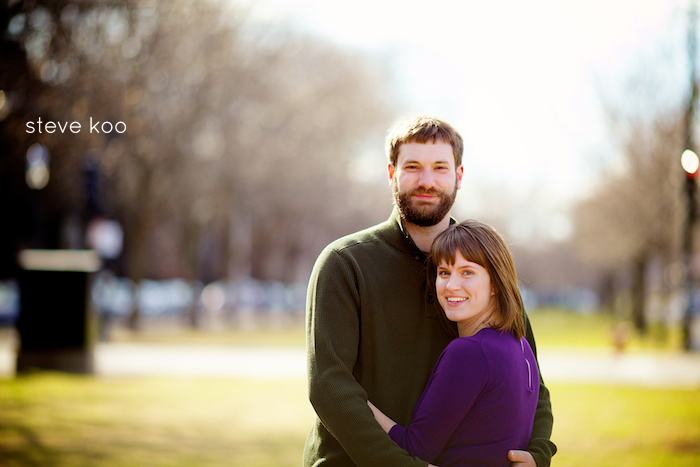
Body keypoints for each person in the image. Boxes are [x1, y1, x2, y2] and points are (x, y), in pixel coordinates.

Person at [304, 115, 556, 466]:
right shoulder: (345, 263)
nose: (427, 181)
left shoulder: (485, 265)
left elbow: (532, 380)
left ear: (459, 176)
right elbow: (329, 387)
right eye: (413, 167)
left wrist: (539, 453)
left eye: (440, 167)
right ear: (392, 173)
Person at [367, 219, 540, 466]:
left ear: (495, 283)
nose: (451, 286)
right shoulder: (520, 345)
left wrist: (358, 405)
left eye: (467, 272)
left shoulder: (470, 352)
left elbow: (415, 448)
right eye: (444, 273)